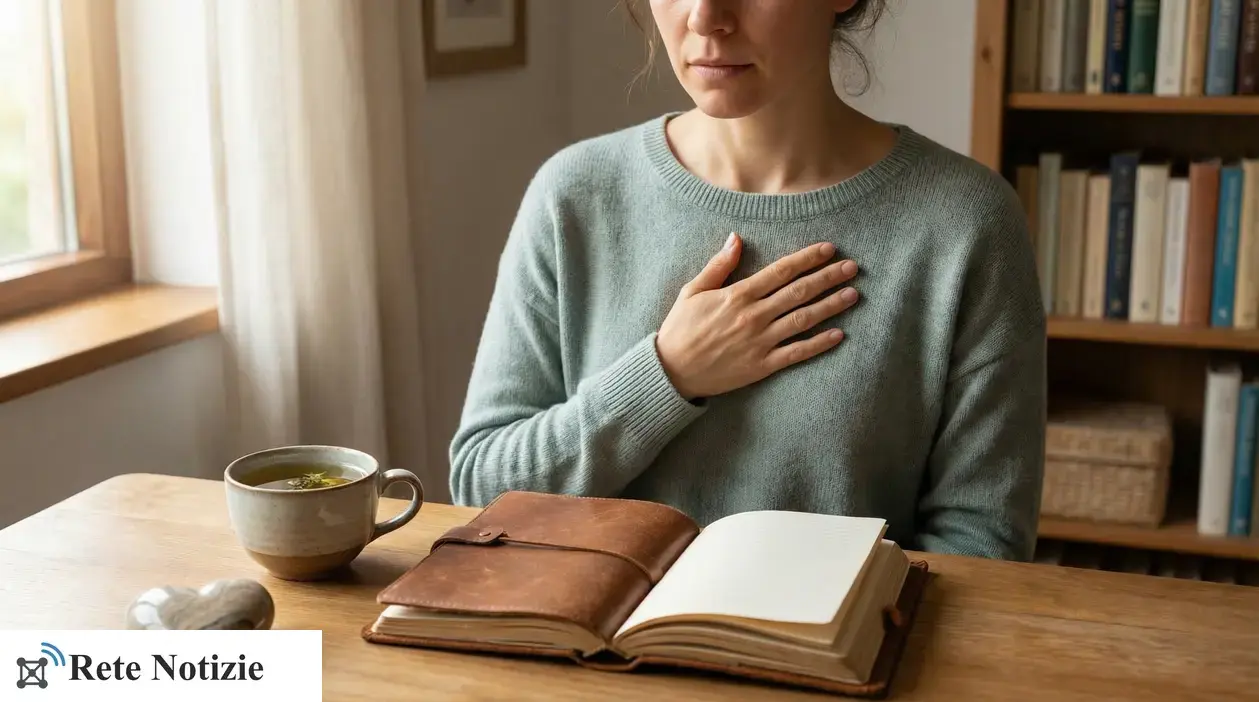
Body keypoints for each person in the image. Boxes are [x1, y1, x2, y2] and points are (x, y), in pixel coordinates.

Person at [448, 0, 1046, 561]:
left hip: (839, 663)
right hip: (585, 660)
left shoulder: (965, 222)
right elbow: (482, 485)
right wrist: (666, 375)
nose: (706, 16)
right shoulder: (575, 194)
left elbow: (984, 543)